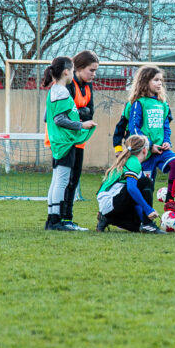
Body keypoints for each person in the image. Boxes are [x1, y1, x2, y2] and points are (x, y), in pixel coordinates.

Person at [122, 65, 175, 213]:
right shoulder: (139, 103)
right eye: (155, 80)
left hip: (161, 149)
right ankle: (142, 217)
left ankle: (170, 200)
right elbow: (134, 128)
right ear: (145, 82)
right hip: (145, 152)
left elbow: (166, 126)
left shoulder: (163, 104)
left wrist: (167, 141)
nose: (159, 83)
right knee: (146, 187)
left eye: (161, 81)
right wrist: (149, 146)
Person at [43, 56, 97, 231]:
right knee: (62, 181)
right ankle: (57, 221)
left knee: (57, 180)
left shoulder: (56, 90)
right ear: (66, 71)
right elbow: (59, 119)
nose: (73, 74)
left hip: (62, 141)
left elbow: (51, 117)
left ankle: (52, 219)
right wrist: (81, 124)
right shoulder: (62, 91)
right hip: (65, 142)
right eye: (72, 70)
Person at [95, 134, 165, 233]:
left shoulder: (129, 160)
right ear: (145, 150)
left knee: (137, 226)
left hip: (108, 206)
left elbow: (134, 197)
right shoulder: (133, 162)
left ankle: (107, 219)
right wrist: (148, 209)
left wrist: (143, 217)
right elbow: (131, 189)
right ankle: (148, 225)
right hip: (111, 202)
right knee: (146, 181)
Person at [61, 50, 99, 225]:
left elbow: (90, 112)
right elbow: (69, 113)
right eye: (91, 70)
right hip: (65, 140)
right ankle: (59, 217)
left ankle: (68, 217)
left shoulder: (88, 86)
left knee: (74, 180)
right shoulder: (69, 85)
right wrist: (82, 114)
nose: (94, 74)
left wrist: (82, 113)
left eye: (95, 70)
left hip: (79, 139)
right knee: (64, 180)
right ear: (79, 68)